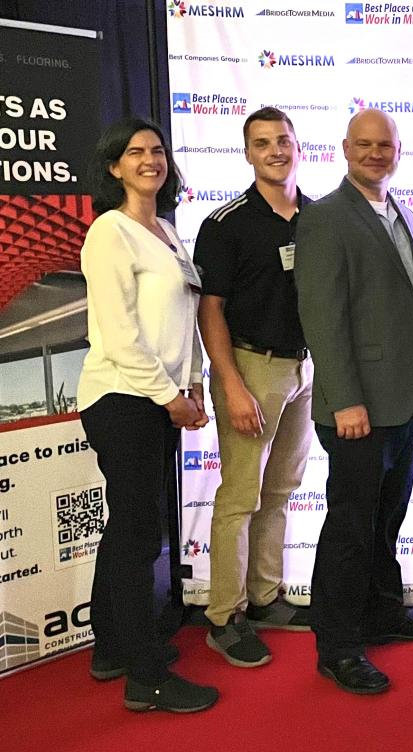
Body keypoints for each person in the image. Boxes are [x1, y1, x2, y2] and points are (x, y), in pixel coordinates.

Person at [77, 117, 218, 712]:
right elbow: (121, 335)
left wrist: (194, 385)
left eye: (157, 150)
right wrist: (170, 397)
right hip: (121, 398)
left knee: (130, 529)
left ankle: (112, 647)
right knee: (139, 536)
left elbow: (182, 323)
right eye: (134, 152)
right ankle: (146, 677)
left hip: (157, 400)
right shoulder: (109, 231)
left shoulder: (166, 231)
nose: (149, 160)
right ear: (114, 167)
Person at [294, 108, 413, 695]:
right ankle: (338, 646)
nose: (376, 154)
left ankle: (379, 612)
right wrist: (345, 399)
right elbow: (322, 317)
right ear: (345, 149)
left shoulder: (405, 214)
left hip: (402, 402)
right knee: (350, 527)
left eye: (385, 145)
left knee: (387, 520)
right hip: (357, 409)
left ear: (398, 150)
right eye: (364, 145)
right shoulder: (325, 217)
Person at [194, 107, 313, 668]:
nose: (275, 151)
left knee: (280, 490)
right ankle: (224, 616)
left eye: (283, 140)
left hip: (303, 370)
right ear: (247, 154)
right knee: (240, 496)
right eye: (262, 143)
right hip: (250, 368)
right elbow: (209, 310)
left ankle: (265, 596)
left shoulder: (317, 218)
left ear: (298, 147)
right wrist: (232, 385)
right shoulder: (226, 223)